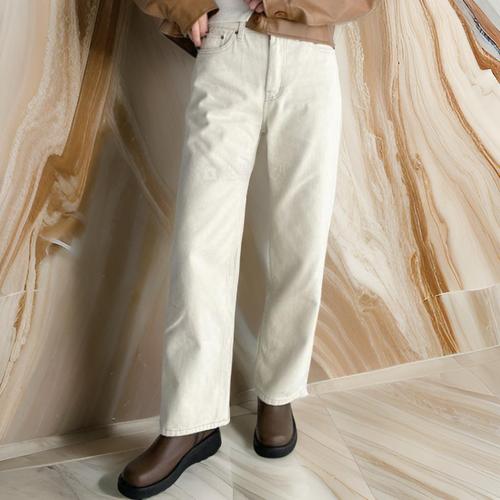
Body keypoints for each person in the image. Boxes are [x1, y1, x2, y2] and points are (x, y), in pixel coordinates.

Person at [118, 0, 378, 498]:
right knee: (199, 244)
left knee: (301, 240)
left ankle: (279, 393)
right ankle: (190, 421)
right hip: (228, 44)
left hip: (309, 56)